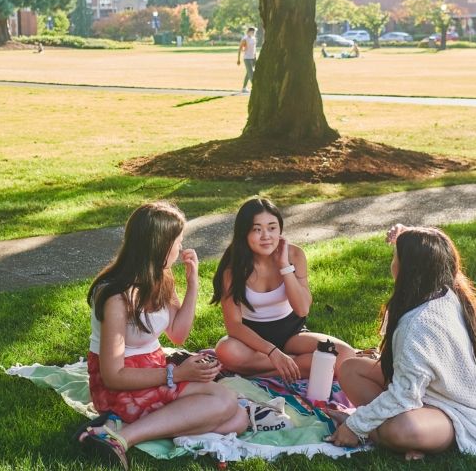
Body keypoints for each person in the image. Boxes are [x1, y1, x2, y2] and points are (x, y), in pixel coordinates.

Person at [75, 202, 247, 470]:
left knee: (239, 420)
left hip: (153, 368)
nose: (181, 248)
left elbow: (178, 334)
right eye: (178, 242)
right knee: (225, 401)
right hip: (120, 384)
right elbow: (113, 375)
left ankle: (121, 430)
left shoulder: (161, 277)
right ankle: (122, 438)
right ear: (160, 246)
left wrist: (193, 285)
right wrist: (176, 375)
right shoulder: (115, 296)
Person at [326, 224, 476, 460]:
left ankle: (394, 437)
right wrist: (410, 234)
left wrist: (355, 426)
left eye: (395, 257)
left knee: (398, 430)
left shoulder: (420, 323)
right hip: (427, 393)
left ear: (407, 269)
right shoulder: (446, 290)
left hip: (457, 412)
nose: (392, 263)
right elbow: (435, 252)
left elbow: (404, 395)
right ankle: (400, 437)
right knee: (350, 368)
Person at [211, 197, 356, 381]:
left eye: (272, 228)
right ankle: (295, 366)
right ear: (244, 233)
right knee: (225, 350)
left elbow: (302, 309)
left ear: (280, 229)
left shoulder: (295, 255)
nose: (266, 236)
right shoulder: (232, 269)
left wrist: (284, 266)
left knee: (345, 355)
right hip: (252, 342)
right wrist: (272, 352)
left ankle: (268, 373)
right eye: (257, 229)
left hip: (293, 335)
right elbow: (234, 326)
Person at [238, 27, 257, 93]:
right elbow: (240, 48)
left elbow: (254, 49)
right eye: (252, 32)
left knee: (248, 73)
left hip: (253, 58)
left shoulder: (254, 38)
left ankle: (244, 88)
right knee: (251, 73)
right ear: (249, 31)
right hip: (247, 58)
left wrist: (255, 58)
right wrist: (238, 59)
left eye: (254, 32)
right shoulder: (245, 39)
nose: (254, 33)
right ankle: (255, 88)